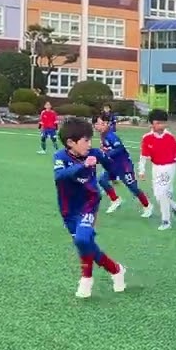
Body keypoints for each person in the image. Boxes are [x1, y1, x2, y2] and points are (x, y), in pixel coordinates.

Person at [52, 117, 126, 298]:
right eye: (85, 140)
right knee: (84, 243)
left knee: (83, 240)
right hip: (68, 210)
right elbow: (60, 176)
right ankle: (116, 269)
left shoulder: (94, 153)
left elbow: (109, 162)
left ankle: (86, 278)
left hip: (89, 203)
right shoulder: (60, 157)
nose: (89, 144)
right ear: (70, 142)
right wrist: (83, 165)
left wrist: (113, 173)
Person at [93, 115, 153, 218]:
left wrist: (106, 155)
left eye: (102, 123)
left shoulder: (111, 136)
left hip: (124, 166)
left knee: (133, 188)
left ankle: (147, 206)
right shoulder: (103, 135)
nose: (99, 126)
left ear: (106, 124)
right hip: (112, 166)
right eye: (97, 124)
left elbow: (119, 148)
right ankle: (115, 200)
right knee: (102, 180)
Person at [140, 108, 176, 231]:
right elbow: (143, 156)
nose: (161, 125)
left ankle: (166, 221)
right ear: (151, 124)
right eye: (158, 123)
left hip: (169, 167)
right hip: (156, 168)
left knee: (162, 193)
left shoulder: (170, 137)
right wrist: (141, 170)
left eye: (163, 123)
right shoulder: (147, 138)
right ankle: (175, 207)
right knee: (158, 195)